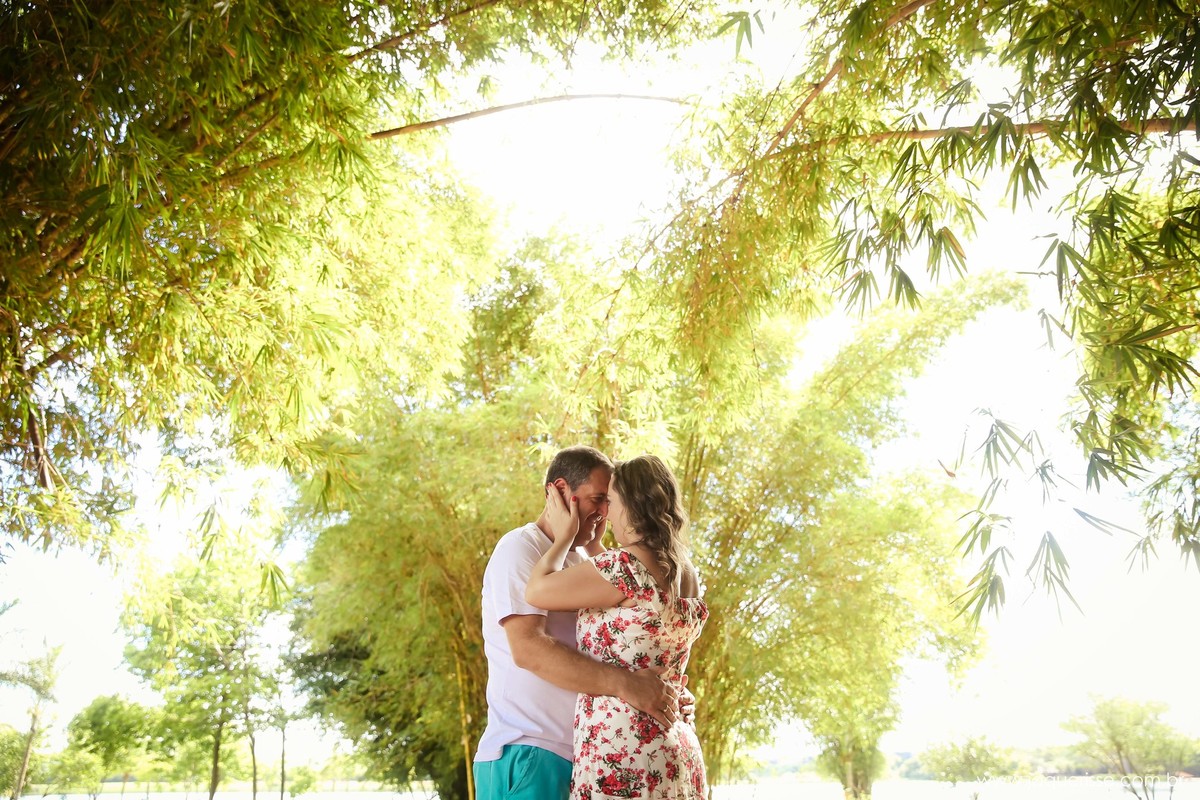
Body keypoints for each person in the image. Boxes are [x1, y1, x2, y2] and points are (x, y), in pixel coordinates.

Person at [474, 445, 683, 800]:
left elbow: (625, 641)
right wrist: (627, 686)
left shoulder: (587, 564)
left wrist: (664, 692)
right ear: (559, 492)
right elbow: (529, 650)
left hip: (587, 755)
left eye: (610, 501)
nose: (606, 512)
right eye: (598, 499)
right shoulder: (520, 548)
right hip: (532, 751)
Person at [526, 454, 708, 800]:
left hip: (623, 749)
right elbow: (635, 617)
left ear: (631, 505)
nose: (605, 512)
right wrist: (595, 545)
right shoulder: (686, 571)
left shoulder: (624, 567)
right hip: (675, 745)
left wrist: (563, 538)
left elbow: (536, 591)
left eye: (611, 502)